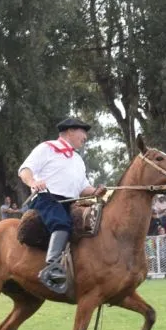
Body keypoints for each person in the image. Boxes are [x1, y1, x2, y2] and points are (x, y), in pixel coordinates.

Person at [18, 117, 106, 293]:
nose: (86, 136)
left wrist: (95, 191)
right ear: (70, 131)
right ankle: (52, 268)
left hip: (69, 202)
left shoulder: (78, 160)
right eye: (83, 131)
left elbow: (83, 188)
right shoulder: (47, 148)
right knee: (62, 223)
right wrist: (33, 182)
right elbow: (24, 170)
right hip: (46, 198)